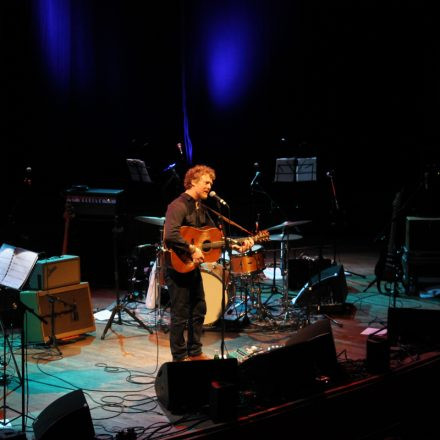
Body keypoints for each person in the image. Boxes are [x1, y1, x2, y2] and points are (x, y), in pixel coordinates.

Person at [163, 164, 254, 362]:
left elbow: (214, 237)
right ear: (193, 181)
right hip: (178, 267)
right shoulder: (177, 206)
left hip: (193, 268)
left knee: (199, 308)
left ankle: (194, 352)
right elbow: (170, 235)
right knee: (179, 314)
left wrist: (236, 245)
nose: (209, 185)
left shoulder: (201, 208)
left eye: (211, 182)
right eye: (206, 182)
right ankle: (179, 357)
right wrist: (192, 249)